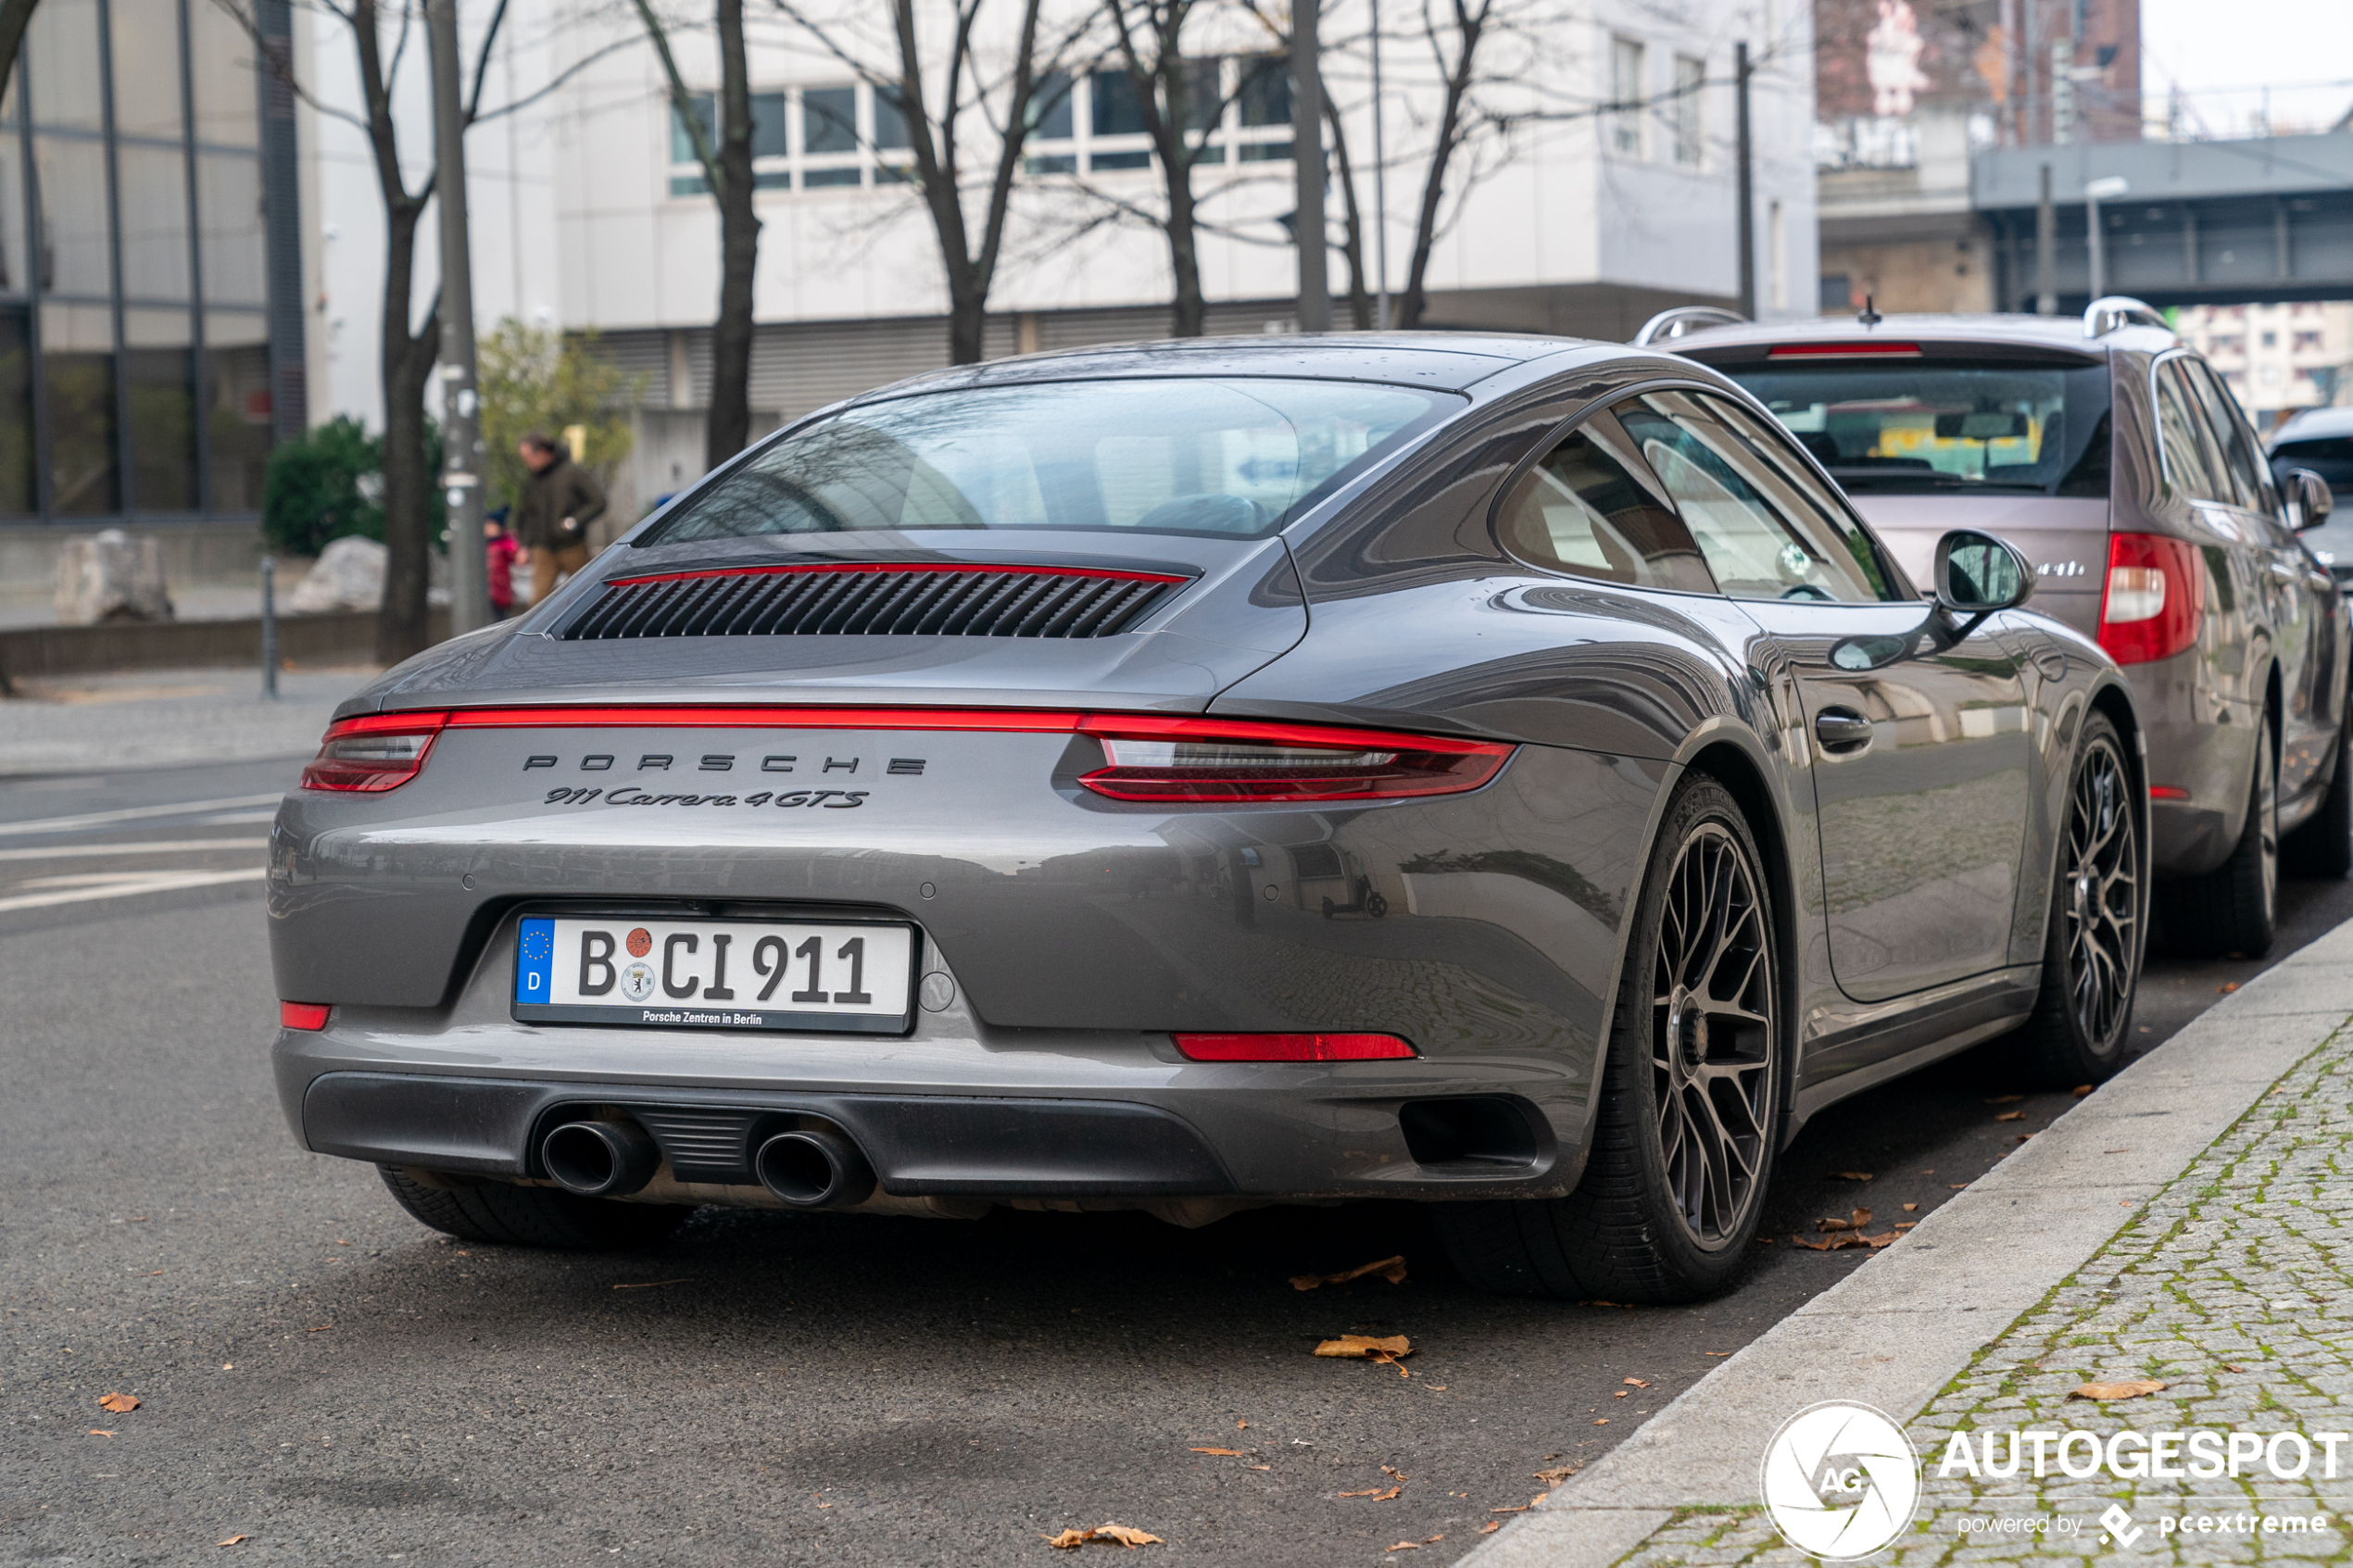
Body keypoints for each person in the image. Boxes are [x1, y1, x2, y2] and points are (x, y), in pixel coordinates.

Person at [514, 432, 607, 605]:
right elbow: (526, 514)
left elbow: (598, 501)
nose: (526, 462)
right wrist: (524, 545)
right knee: (536, 602)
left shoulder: (572, 473)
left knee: (588, 594)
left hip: (571, 545)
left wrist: (575, 521)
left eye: (528, 457)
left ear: (542, 452)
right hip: (543, 548)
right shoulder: (532, 480)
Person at [483, 511, 521, 619]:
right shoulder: (483, 545)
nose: (488, 529)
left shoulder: (505, 544)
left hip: (500, 593)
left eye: (492, 526)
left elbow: (516, 555)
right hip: (487, 593)